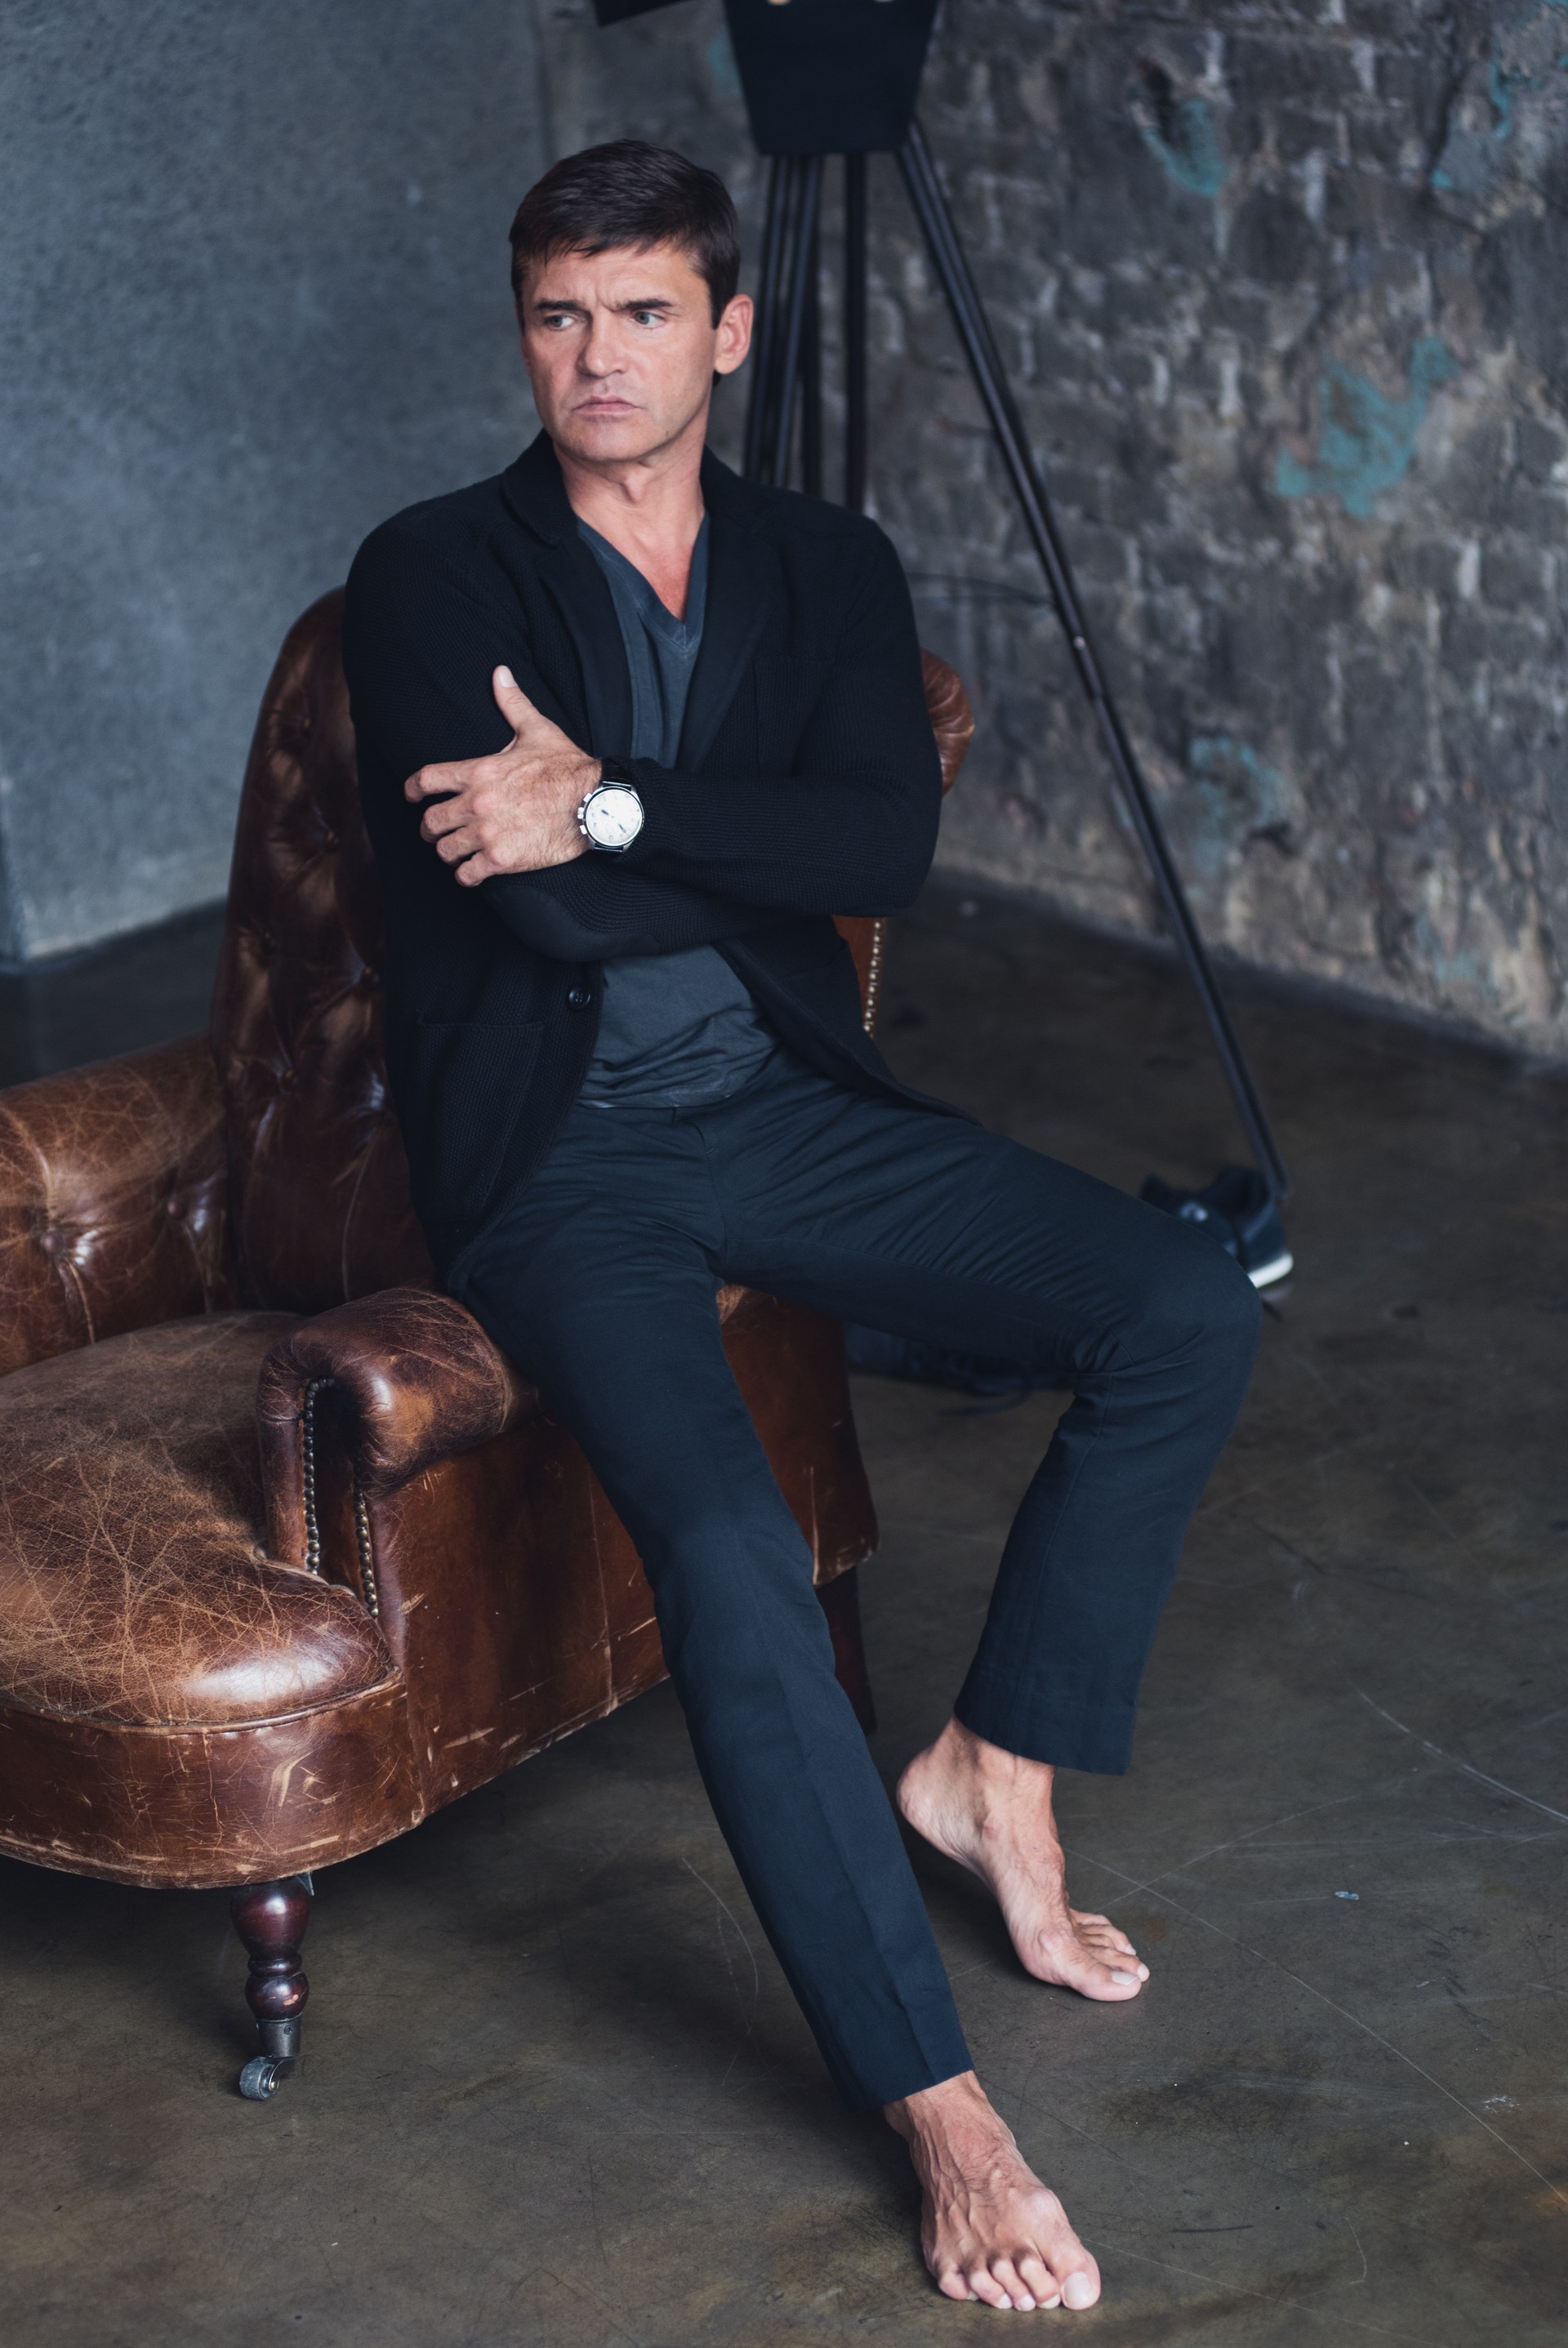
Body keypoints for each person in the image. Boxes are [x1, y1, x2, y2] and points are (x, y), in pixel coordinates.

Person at [344, 140, 1261, 2314]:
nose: (599, 356)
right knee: (735, 1548)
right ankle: (939, 2108)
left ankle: (994, 1767)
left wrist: (612, 799)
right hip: (562, 1165)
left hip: (776, 1106)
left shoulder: (827, 564)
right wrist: (702, 842)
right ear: (523, 331)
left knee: (1181, 1301)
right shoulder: (433, 571)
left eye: (645, 312)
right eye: (560, 313)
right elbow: (535, 903)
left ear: (729, 332)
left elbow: (882, 852)